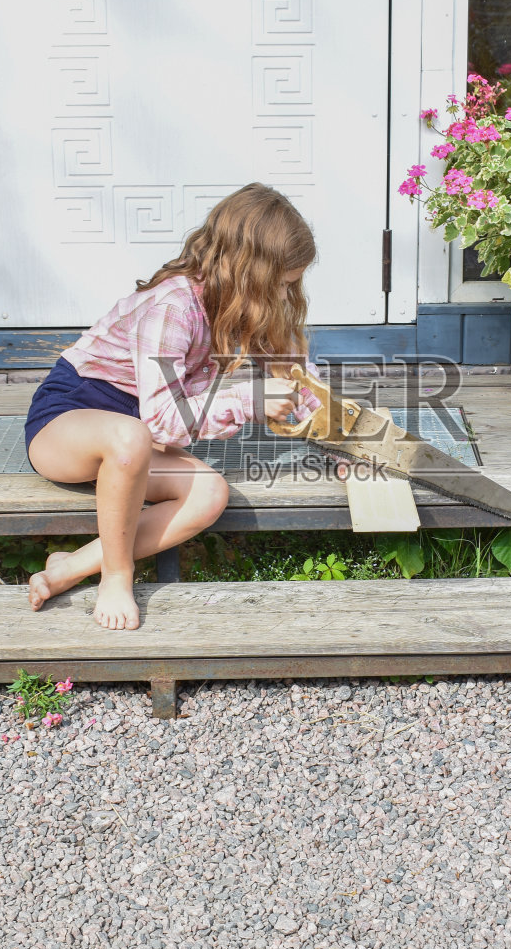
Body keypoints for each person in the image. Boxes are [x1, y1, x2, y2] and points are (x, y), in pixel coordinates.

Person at [24, 183, 321, 629]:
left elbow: (294, 369)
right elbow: (162, 422)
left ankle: (70, 567)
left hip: (136, 440)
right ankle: (117, 576)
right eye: (280, 285)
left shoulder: (238, 304)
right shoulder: (173, 306)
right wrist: (247, 399)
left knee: (209, 493)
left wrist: (338, 431)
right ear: (248, 274)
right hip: (70, 423)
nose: (283, 297)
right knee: (131, 436)